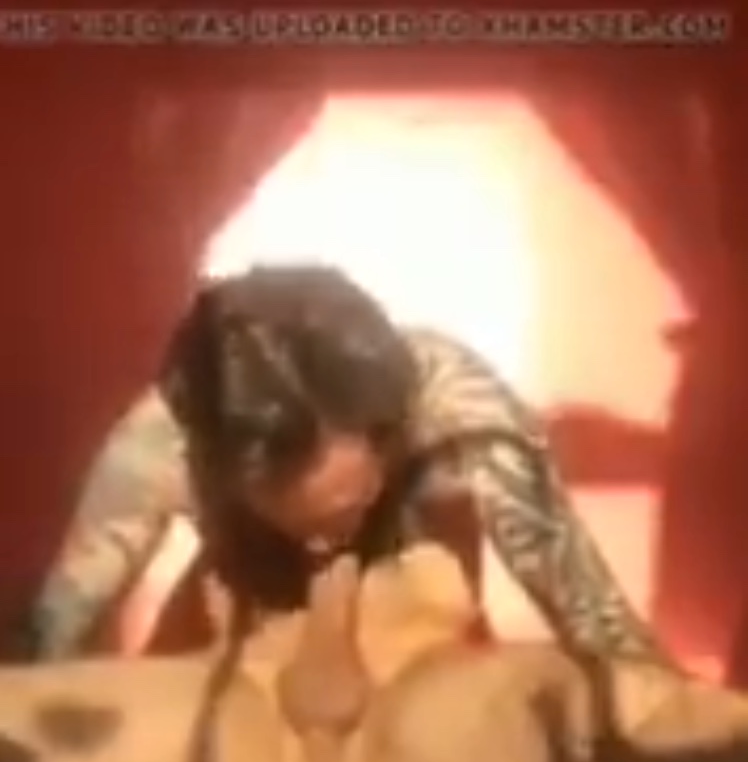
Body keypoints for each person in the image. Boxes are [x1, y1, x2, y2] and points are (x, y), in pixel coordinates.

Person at [20, 264, 663, 662]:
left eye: (340, 512)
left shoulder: (458, 407)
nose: (321, 547)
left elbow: (598, 624)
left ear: (391, 431)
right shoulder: (165, 440)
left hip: (422, 660)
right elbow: (53, 632)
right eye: (290, 517)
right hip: (235, 656)